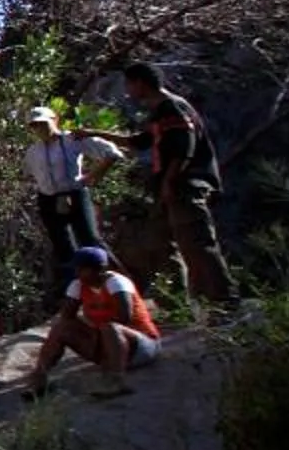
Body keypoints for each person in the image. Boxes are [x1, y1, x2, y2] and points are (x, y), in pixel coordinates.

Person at [99, 62, 239, 306]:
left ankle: (223, 301)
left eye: (129, 84)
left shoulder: (172, 108)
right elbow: (139, 142)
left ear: (140, 82)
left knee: (197, 243)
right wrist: (93, 134)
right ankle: (177, 302)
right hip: (171, 188)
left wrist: (169, 181)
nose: (128, 90)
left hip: (186, 185)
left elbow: (184, 147)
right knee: (164, 243)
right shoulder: (159, 112)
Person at [21, 243, 163, 400]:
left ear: (100, 269)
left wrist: (97, 332)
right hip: (107, 348)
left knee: (110, 327)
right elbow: (67, 317)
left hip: (141, 348)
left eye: (82, 269)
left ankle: (116, 381)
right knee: (62, 327)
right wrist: (74, 300)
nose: (77, 273)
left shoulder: (116, 283)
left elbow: (125, 317)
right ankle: (39, 378)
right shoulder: (79, 285)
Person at [20, 105, 124, 307]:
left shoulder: (71, 140)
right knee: (64, 248)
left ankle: (120, 286)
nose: (40, 129)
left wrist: (92, 176)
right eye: (34, 126)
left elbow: (112, 153)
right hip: (48, 199)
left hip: (74, 193)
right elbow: (26, 173)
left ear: (54, 120)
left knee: (91, 239)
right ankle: (81, 298)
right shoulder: (34, 151)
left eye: (43, 123)